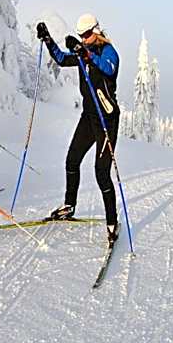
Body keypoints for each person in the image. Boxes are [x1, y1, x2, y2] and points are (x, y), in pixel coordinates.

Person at [36, 14, 120, 244]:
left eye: (86, 35)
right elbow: (62, 59)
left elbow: (109, 69)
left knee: (101, 172)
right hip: (88, 117)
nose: (83, 38)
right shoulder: (83, 53)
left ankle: (112, 222)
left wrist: (87, 54)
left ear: (96, 31)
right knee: (72, 160)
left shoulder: (108, 51)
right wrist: (48, 40)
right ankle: (69, 206)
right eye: (81, 36)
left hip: (107, 120)